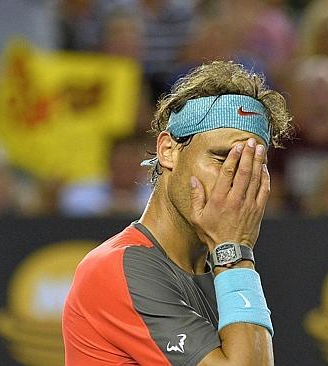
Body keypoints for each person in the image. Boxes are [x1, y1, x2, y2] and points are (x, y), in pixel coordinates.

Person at [62, 60, 292, 365]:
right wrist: (233, 251)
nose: (235, 178)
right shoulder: (114, 268)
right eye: (221, 157)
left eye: (251, 165)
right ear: (168, 151)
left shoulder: (220, 273)